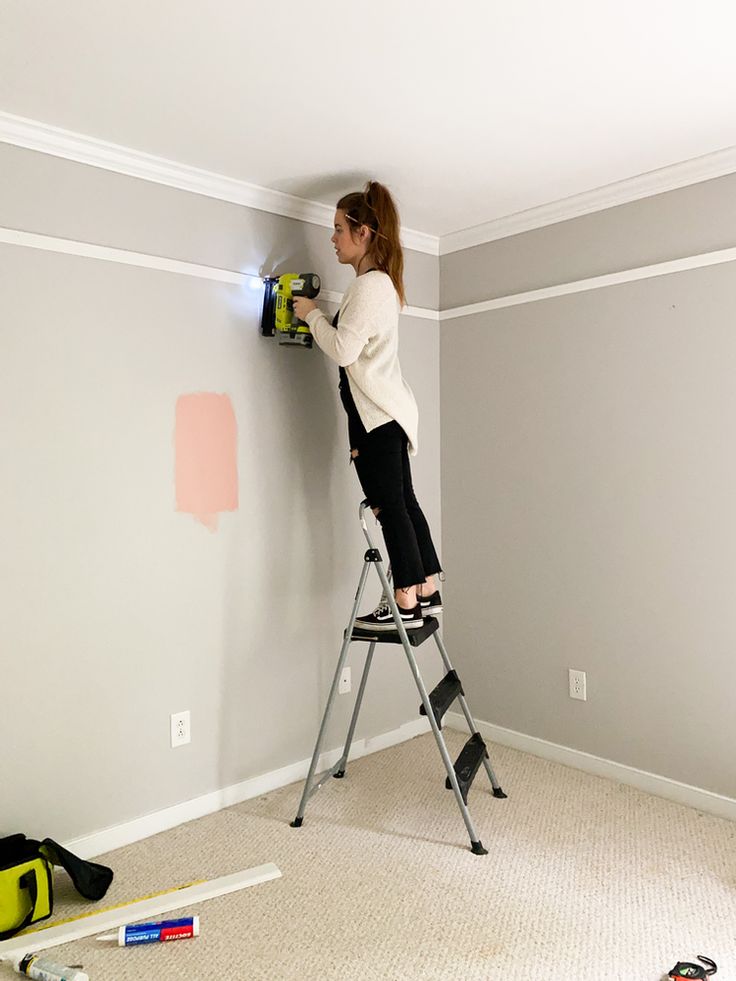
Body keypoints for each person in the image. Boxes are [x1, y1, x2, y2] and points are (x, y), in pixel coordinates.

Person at [292, 180, 443, 631]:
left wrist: (311, 314)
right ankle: (427, 589)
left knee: (389, 505)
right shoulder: (382, 286)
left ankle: (404, 599)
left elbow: (342, 350)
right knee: (404, 502)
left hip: (376, 417)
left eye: (339, 229)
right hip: (389, 414)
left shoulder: (369, 286)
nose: (332, 239)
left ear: (363, 233)